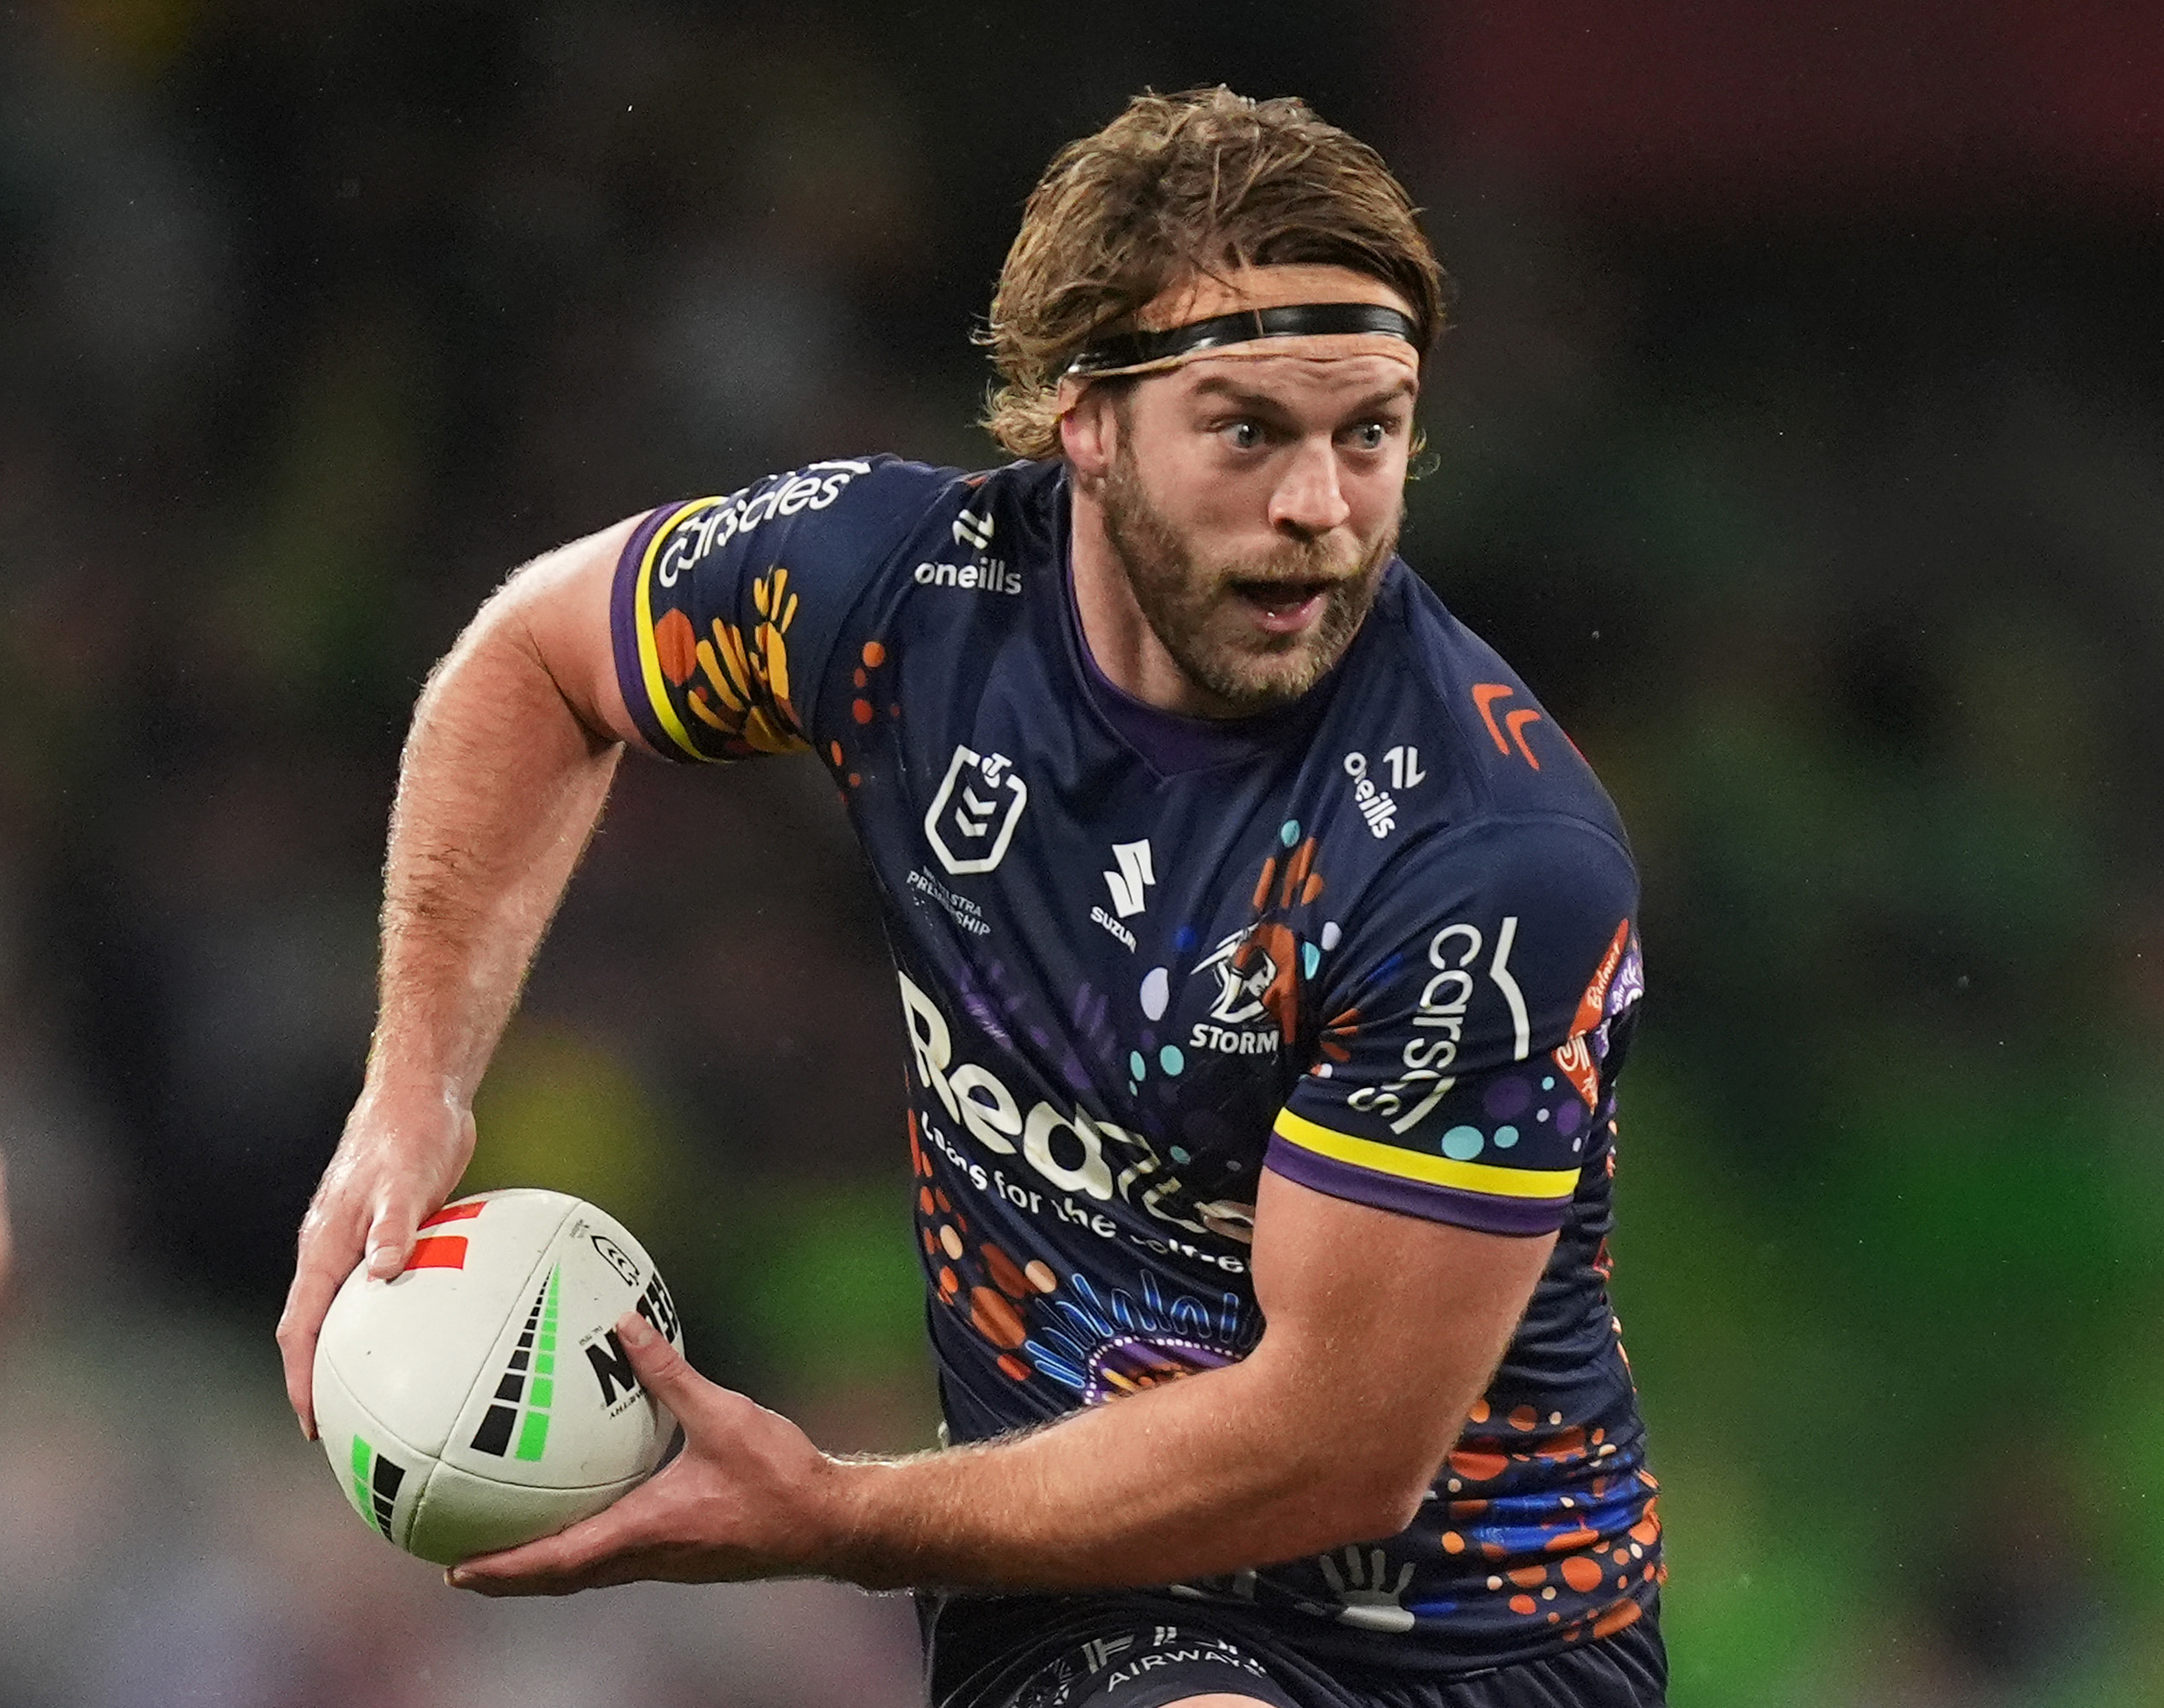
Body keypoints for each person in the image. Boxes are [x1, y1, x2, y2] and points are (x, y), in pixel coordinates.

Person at [276, 88, 1664, 1708]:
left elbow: (1333, 1456)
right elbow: (531, 662)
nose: (1322, 509)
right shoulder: (893, 601)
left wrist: (833, 1516)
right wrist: (413, 1085)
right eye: (1246, 430)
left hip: (1502, 1642)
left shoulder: (1483, 862)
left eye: (1368, 430)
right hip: (1107, 1600)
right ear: (1085, 417)